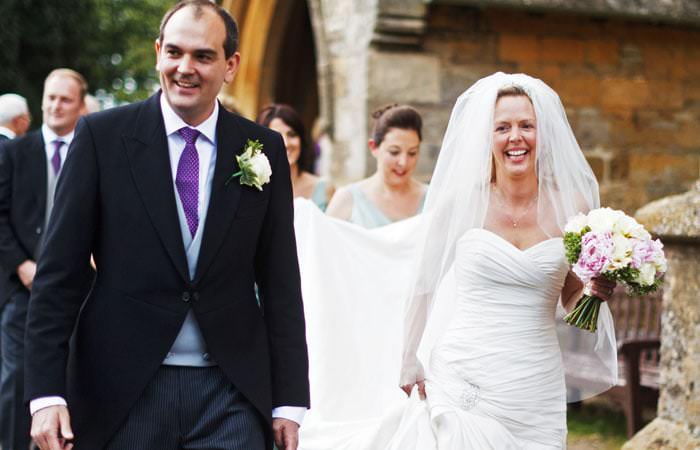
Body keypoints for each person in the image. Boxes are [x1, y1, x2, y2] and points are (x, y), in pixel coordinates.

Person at [24, 2, 309, 450]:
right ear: (157, 52)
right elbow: (59, 276)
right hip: (124, 388)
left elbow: (280, 280)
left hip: (231, 392)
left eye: (203, 56)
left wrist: (289, 401)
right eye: (173, 52)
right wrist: (45, 393)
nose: (184, 68)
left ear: (231, 65)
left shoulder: (263, 149)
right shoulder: (101, 138)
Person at [295, 73, 618, 449]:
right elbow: (424, 282)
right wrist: (409, 358)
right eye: (503, 127)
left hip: (534, 381)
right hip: (465, 375)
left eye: (526, 126)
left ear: (542, 133)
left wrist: (596, 292)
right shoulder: (463, 201)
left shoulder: (572, 206)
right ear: (488, 137)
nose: (515, 137)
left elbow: (571, 295)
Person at [0, 68, 85, 450]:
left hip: (81, 288)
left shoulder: (92, 152)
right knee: (16, 376)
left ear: (81, 106)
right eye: (50, 97)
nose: (55, 106)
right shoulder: (15, 151)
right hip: (23, 288)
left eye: (65, 99)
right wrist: (21, 264)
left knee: (73, 374)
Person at [326, 104, 426, 228]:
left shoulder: (432, 198)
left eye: (412, 153)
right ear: (373, 147)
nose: (403, 162)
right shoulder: (347, 199)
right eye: (394, 152)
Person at [257, 104, 335, 211]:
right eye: (276, 136)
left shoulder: (326, 190)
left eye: (292, 134)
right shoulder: (253, 189)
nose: (285, 143)